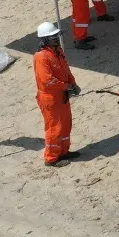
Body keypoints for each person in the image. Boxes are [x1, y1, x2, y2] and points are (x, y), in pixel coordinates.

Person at [33, 21, 81, 166]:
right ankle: (51, 158)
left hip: (61, 95)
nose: (56, 38)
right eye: (52, 36)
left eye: (56, 36)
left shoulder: (58, 52)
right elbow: (47, 81)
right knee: (55, 128)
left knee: (66, 124)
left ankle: (64, 151)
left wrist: (73, 83)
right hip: (50, 98)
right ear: (45, 40)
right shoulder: (41, 57)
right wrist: (66, 86)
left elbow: (66, 70)